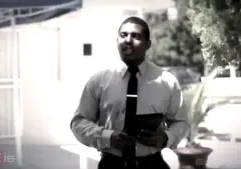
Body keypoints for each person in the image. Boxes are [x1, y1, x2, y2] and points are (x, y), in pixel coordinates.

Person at [70, 16, 189, 169]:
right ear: (117, 40)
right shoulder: (99, 80)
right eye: (123, 35)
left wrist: (166, 137)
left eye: (136, 36)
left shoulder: (167, 81)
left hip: (152, 164)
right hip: (111, 164)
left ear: (148, 44)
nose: (128, 40)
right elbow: (78, 123)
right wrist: (108, 136)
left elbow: (181, 122)